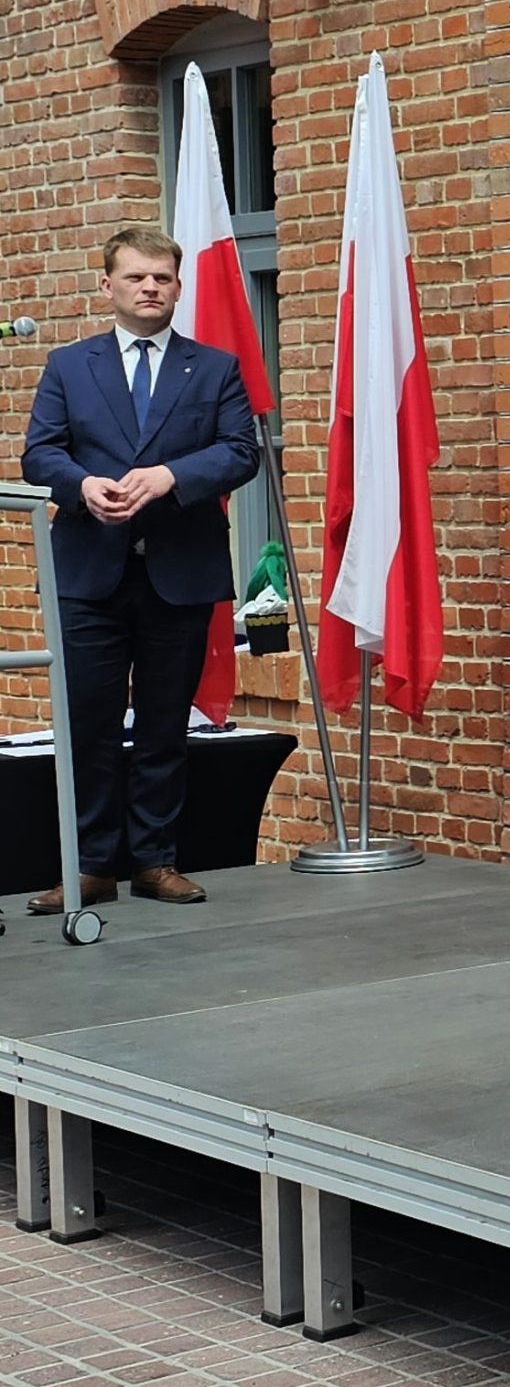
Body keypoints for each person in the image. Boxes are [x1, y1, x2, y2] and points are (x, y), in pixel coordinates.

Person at [20, 230, 258, 911]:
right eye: (136, 277)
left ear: (178, 287)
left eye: (163, 278)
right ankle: (90, 866)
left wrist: (170, 476)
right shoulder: (70, 365)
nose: (151, 287)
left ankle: (155, 860)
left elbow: (241, 451)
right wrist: (82, 485)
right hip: (88, 573)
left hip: (179, 573)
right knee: (88, 724)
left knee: (164, 724)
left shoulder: (214, 368)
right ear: (108, 286)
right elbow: (40, 454)